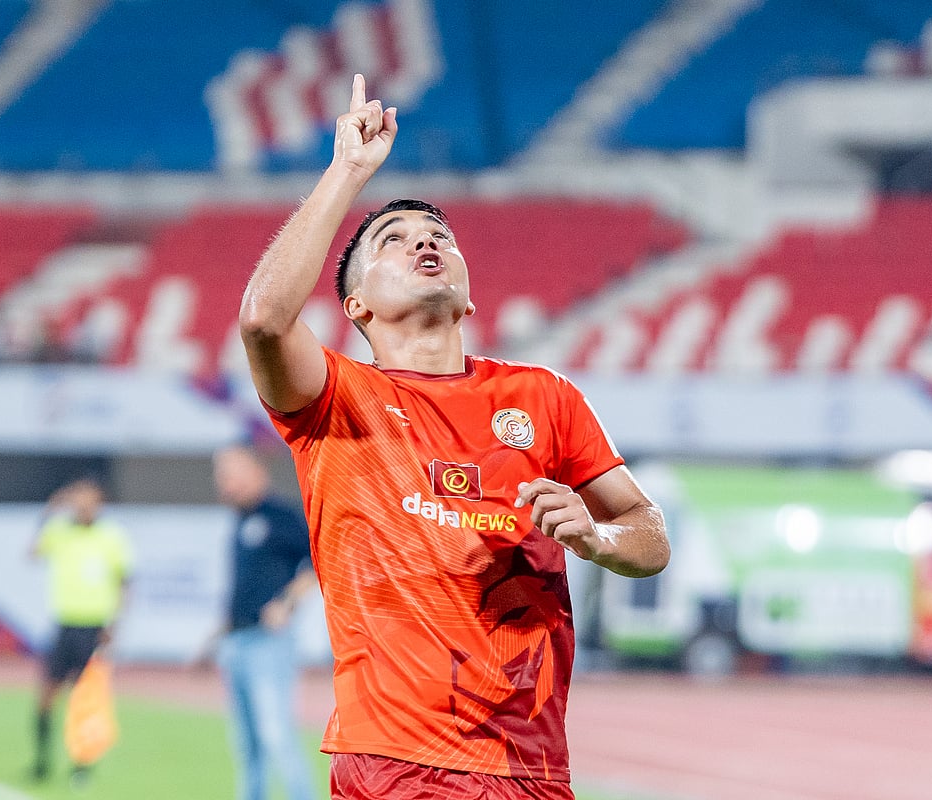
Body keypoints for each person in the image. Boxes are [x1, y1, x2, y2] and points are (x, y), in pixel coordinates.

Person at [238, 74, 670, 799]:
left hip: (531, 768)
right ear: (356, 306)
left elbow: (648, 534)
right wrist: (347, 171)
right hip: (395, 764)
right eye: (393, 240)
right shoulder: (335, 399)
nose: (424, 242)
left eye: (438, 235)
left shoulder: (545, 397)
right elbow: (262, 321)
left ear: (469, 295)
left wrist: (598, 541)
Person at [204, 444, 319, 800]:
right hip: (236, 641)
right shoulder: (240, 519)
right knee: (247, 744)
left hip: (267, 644)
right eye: (220, 476)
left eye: (230, 474)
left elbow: (316, 559)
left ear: (255, 470)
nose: (224, 484)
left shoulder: (280, 515)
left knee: (276, 734)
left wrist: (287, 602)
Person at [29, 477, 133, 782]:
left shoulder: (112, 536)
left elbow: (124, 581)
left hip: (94, 626)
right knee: (47, 694)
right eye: (78, 499)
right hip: (64, 623)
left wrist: (114, 623)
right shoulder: (59, 532)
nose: (83, 505)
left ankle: (82, 765)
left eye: (89, 499)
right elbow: (33, 552)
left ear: (100, 502)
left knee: (85, 699)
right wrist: (48, 511)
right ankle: (41, 761)